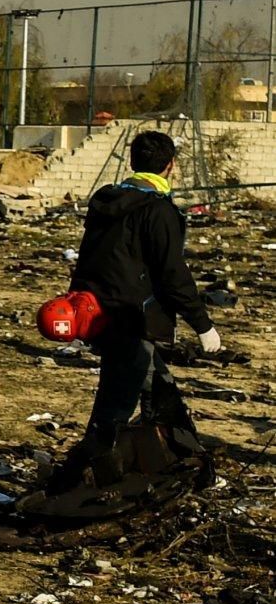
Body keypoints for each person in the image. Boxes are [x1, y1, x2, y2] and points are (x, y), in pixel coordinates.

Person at [44, 131, 220, 493]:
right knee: (113, 412)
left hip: (100, 315)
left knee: (160, 393)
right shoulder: (158, 210)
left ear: (132, 162)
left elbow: (89, 260)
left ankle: (186, 469)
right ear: (171, 166)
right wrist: (203, 325)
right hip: (133, 320)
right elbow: (172, 273)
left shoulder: (106, 202)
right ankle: (72, 486)